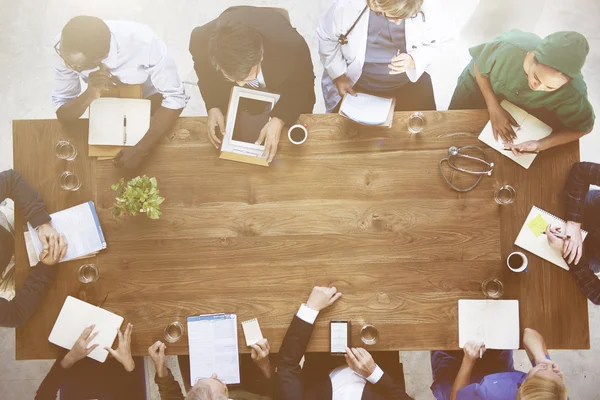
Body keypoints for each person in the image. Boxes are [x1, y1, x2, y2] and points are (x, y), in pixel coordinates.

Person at [52, 16, 188, 170]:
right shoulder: (67, 47)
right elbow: (62, 112)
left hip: (150, 99)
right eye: (63, 57)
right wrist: (88, 95)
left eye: (75, 66)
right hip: (105, 106)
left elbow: (176, 97)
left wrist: (139, 150)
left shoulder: (145, 42)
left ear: (101, 58)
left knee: (160, 162)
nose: (66, 65)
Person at [189, 6, 316, 162]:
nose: (241, 84)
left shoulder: (292, 47)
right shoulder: (200, 41)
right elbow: (204, 72)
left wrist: (280, 118)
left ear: (260, 55)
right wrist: (213, 105)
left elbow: (304, 85)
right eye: (233, 79)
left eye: (247, 77)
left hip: (282, 83)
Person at [449, 29, 595, 155]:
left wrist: (540, 144)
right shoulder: (509, 46)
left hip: (520, 112)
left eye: (549, 88)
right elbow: (479, 62)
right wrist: (493, 107)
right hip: (479, 87)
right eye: (536, 77)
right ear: (532, 56)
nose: (537, 88)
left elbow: (585, 127)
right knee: (451, 131)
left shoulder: (573, 93)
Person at [277, 286, 411, 399]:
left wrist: (311, 308)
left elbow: (287, 366)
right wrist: (373, 373)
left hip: (323, 346)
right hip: (379, 348)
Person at [317, 0, 449, 113]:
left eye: (408, 16)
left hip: (407, 84)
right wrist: (339, 77)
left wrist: (414, 60)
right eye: (393, 16)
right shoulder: (348, 6)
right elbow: (326, 38)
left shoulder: (430, 6)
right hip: (355, 84)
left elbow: (440, 41)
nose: (398, 22)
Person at [0, 169, 67, 327]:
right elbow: (16, 314)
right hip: (6, 276)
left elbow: (11, 180)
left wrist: (41, 222)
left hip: (8, 229)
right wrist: (45, 268)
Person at [430, 328, 567, 400]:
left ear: (522, 385)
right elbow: (529, 333)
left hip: (456, 379)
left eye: (541, 370)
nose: (549, 367)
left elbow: (457, 398)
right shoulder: (553, 395)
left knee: (439, 334)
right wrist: (541, 359)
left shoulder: (493, 395)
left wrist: (468, 360)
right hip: (498, 372)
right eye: (557, 375)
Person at [36, 323, 147, 399]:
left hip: (78, 358)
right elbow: (136, 393)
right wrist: (128, 362)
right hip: (119, 360)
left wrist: (71, 357)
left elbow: (43, 395)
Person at [544, 161, 600, 305]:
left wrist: (568, 251)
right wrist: (574, 223)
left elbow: (597, 294)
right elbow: (581, 172)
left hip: (592, 255)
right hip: (591, 208)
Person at [148, 338, 278, 399]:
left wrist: (160, 367)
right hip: (254, 386)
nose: (214, 374)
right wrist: (265, 365)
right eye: (217, 380)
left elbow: (171, 396)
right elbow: (277, 394)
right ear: (226, 393)